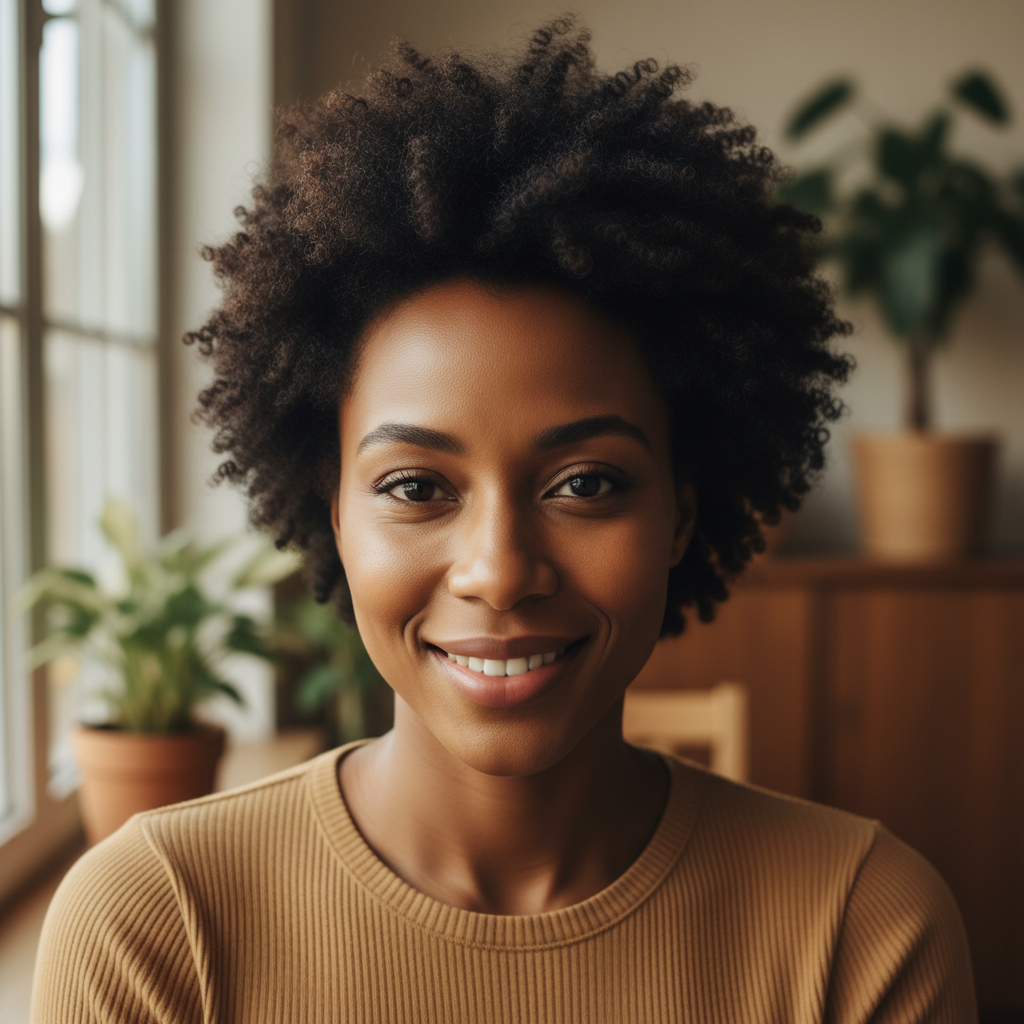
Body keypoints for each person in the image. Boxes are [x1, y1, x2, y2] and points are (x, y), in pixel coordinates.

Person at [32, 17, 976, 1023]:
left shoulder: (860, 929)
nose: (499, 568)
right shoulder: (156, 928)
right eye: (415, 486)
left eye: (585, 484)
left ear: (679, 517)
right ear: (331, 516)